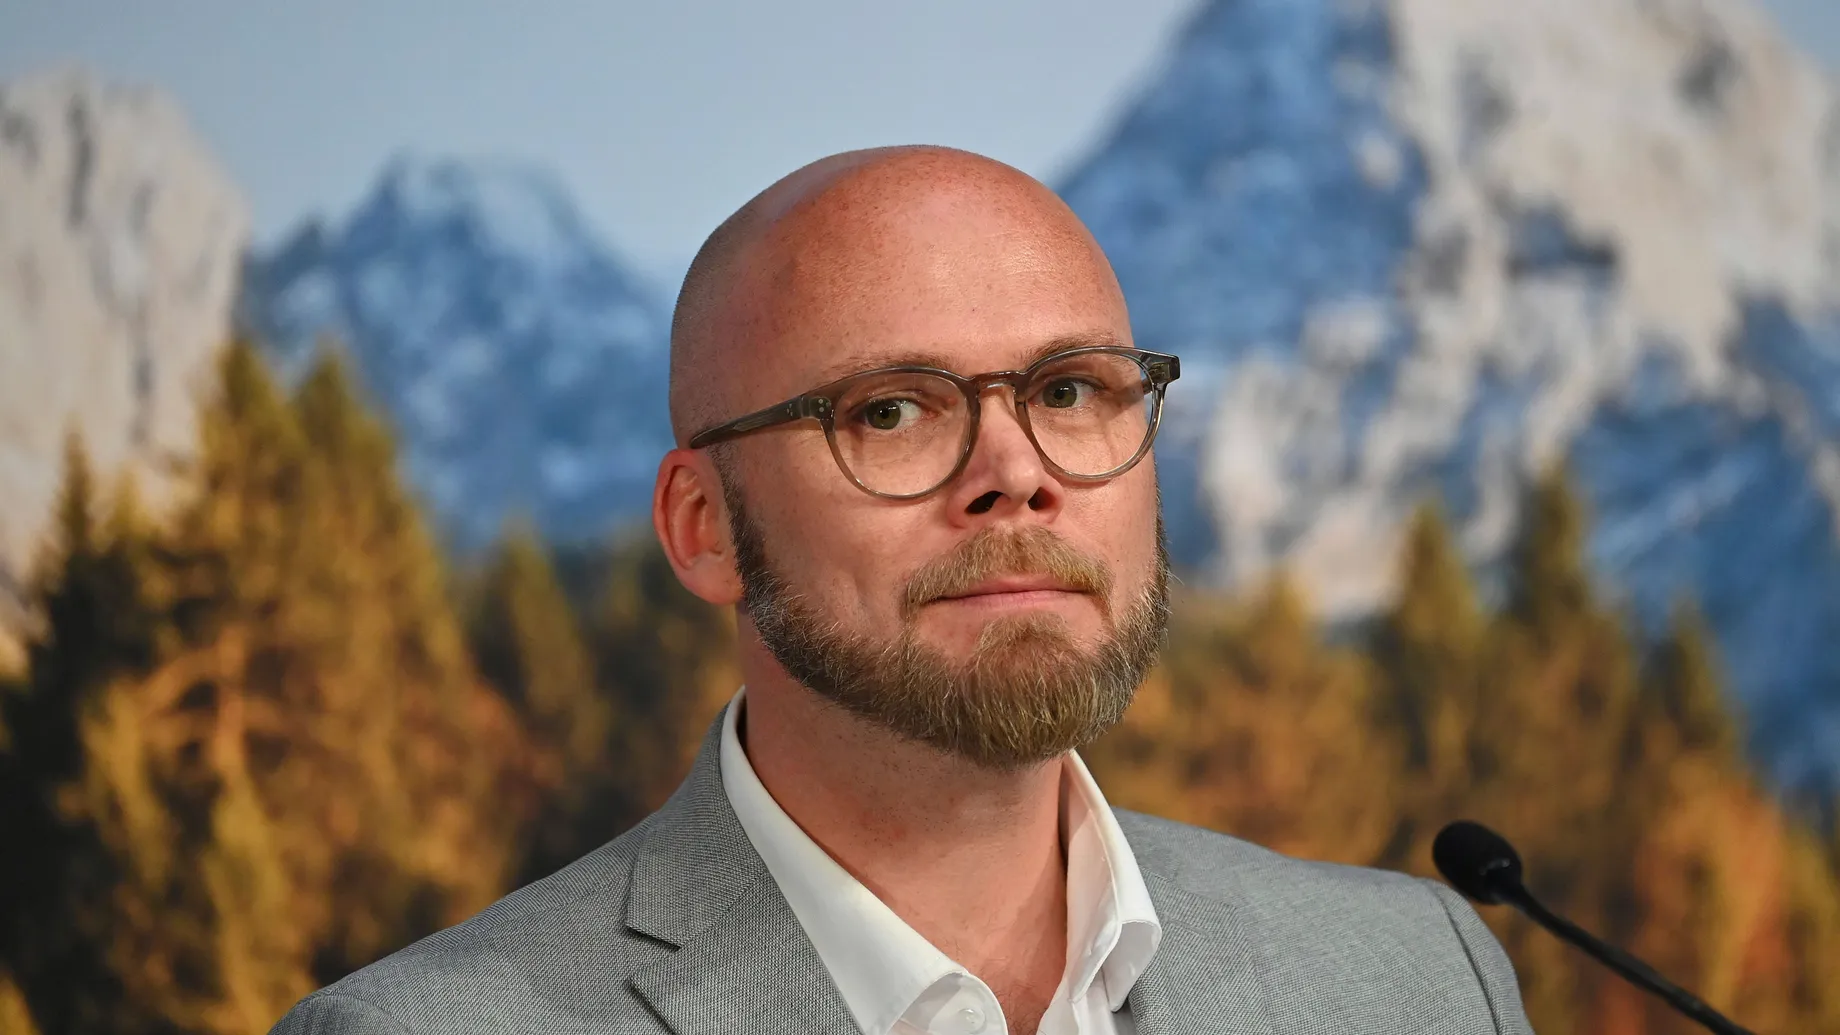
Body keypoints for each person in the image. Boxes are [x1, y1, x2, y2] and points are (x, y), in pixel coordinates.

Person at [270, 145, 1534, 1035]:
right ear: (703, 529)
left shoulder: (1419, 981)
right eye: (889, 412)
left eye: (1069, 392)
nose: (1016, 474)